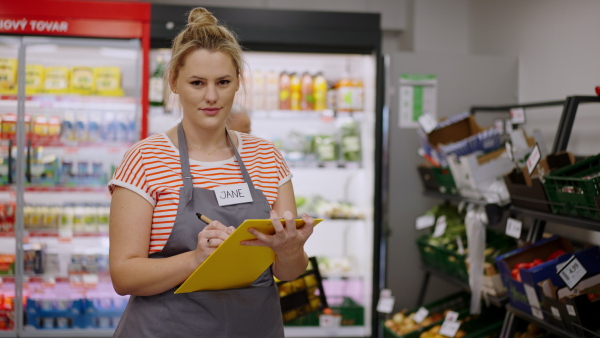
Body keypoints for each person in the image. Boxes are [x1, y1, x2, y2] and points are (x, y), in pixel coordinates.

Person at [108, 7, 314, 337]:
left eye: (223, 82)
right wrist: (195, 259)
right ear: (174, 82)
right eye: (197, 83)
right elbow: (123, 275)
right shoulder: (145, 160)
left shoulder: (267, 157)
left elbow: (289, 272)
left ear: (237, 83)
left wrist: (291, 251)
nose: (211, 97)